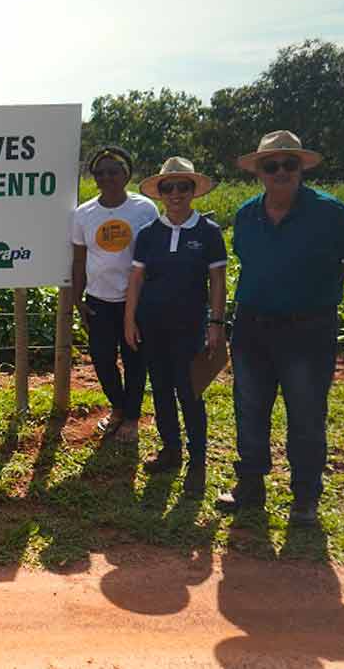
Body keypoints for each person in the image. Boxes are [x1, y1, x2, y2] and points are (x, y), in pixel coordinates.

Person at [217, 131, 344, 526]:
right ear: (259, 171)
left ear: (301, 168)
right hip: (251, 327)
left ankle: (305, 498)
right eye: (271, 165)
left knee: (307, 413)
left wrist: (320, 287)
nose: (281, 171)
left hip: (308, 330)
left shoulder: (332, 213)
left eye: (289, 164)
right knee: (249, 409)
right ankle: (252, 485)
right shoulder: (246, 214)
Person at [123, 157, 227, 498]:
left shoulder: (208, 233)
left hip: (191, 327)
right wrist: (130, 318)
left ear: (193, 190)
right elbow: (136, 279)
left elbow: (217, 281)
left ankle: (198, 461)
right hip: (153, 325)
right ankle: (171, 451)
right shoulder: (149, 234)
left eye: (184, 186)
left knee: (190, 391)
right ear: (161, 193)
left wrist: (216, 323)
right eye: (169, 187)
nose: (176, 193)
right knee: (162, 390)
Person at [71, 146, 159, 441]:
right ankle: (119, 408)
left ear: (126, 174)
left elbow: (154, 258)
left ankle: (131, 418)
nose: (106, 177)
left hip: (135, 301)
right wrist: (77, 299)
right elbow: (80, 260)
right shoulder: (84, 214)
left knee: (135, 360)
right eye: (100, 173)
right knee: (101, 358)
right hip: (99, 301)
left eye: (113, 171)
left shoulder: (145, 209)